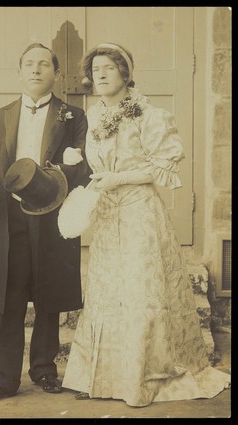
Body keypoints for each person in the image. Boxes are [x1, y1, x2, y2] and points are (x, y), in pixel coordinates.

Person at [62, 43, 230, 407]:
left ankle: (140, 379)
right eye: (96, 69)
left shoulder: (151, 115)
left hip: (140, 213)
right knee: (109, 292)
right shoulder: (93, 116)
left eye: (109, 67)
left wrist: (118, 180)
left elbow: (161, 168)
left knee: (140, 291)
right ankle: (106, 378)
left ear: (126, 73)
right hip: (109, 215)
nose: (101, 74)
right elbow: (98, 165)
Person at [0, 42, 89, 405]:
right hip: (11, 217)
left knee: (49, 294)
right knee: (9, 295)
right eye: (28, 64)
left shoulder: (73, 116)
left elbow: (84, 166)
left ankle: (44, 369)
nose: (36, 70)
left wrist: (63, 171)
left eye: (43, 64)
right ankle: (2, 378)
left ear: (56, 72)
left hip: (52, 213)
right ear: (19, 72)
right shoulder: (2, 114)